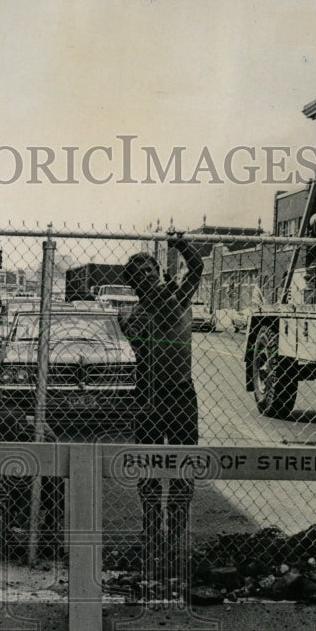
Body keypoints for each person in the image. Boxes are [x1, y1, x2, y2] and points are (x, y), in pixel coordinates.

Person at [119, 234, 204, 588]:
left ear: (157, 273)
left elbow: (197, 268)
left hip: (180, 394)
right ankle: (153, 531)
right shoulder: (138, 314)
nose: (146, 276)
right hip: (149, 397)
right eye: (139, 274)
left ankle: (176, 532)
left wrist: (181, 245)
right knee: (149, 469)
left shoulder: (176, 300)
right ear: (135, 284)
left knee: (184, 465)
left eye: (149, 269)